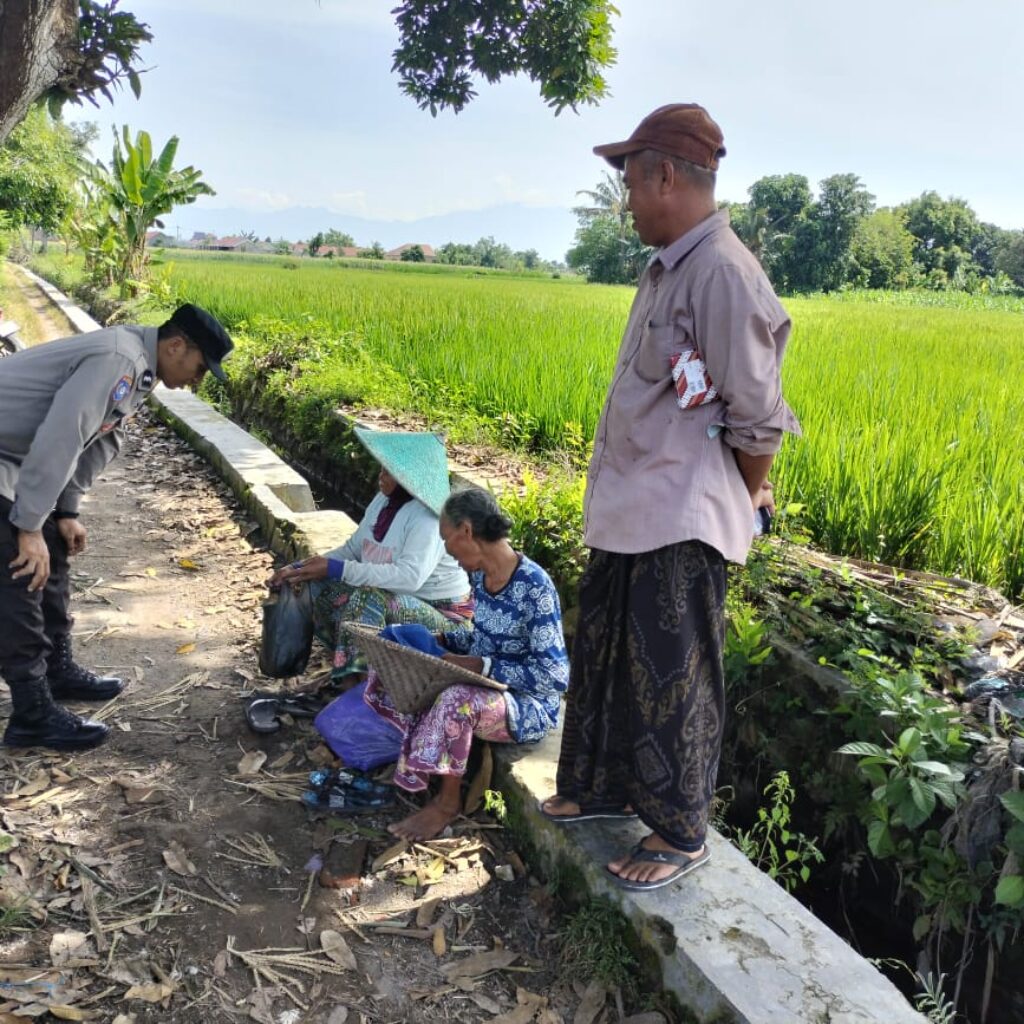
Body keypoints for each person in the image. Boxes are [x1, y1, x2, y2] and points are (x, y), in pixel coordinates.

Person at [541, 103, 800, 890]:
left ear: (663, 175)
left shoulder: (722, 272)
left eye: (628, 182)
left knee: (674, 675)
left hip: (679, 515)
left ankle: (681, 833)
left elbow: (758, 421)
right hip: (630, 508)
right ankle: (600, 788)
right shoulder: (670, 269)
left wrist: (730, 499)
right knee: (611, 657)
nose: (624, 201)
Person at [0, 303, 233, 751]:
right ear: (176, 345)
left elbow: (102, 436)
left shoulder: (140, 366)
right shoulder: (120, 359)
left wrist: (65, 510)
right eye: (200, 368)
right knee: (20, 571)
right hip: (6, 457)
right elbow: (64, 434)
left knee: (55, 550)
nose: (198, 380)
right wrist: (28, 526)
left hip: (13, 456)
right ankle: (31, 713)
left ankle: (57, 671)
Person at [364, 485, 570, 841]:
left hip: (527, 703)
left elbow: (554, 677)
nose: (446, 549)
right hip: (484, 684)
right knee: (400, 657)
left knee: (455, 699)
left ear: (467, 531)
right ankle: (412, 764)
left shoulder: (535, 587)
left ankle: (447, 803)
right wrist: (438, 642)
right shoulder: (479, 576)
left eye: (446, 539)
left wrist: (482, 667)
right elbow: (481, 638)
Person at [267, 429, 473, 684]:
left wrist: (337, 569)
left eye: (388, 471)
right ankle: (348, 669)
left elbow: (409, 579)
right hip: (400, 599)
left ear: (407, 478)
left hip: (445, 621)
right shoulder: (383, 502)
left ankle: (359, 689)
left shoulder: (428, 518)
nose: (381, 475)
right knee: (312, 583)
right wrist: (300, 568)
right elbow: (354, 549)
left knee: (367, 597)